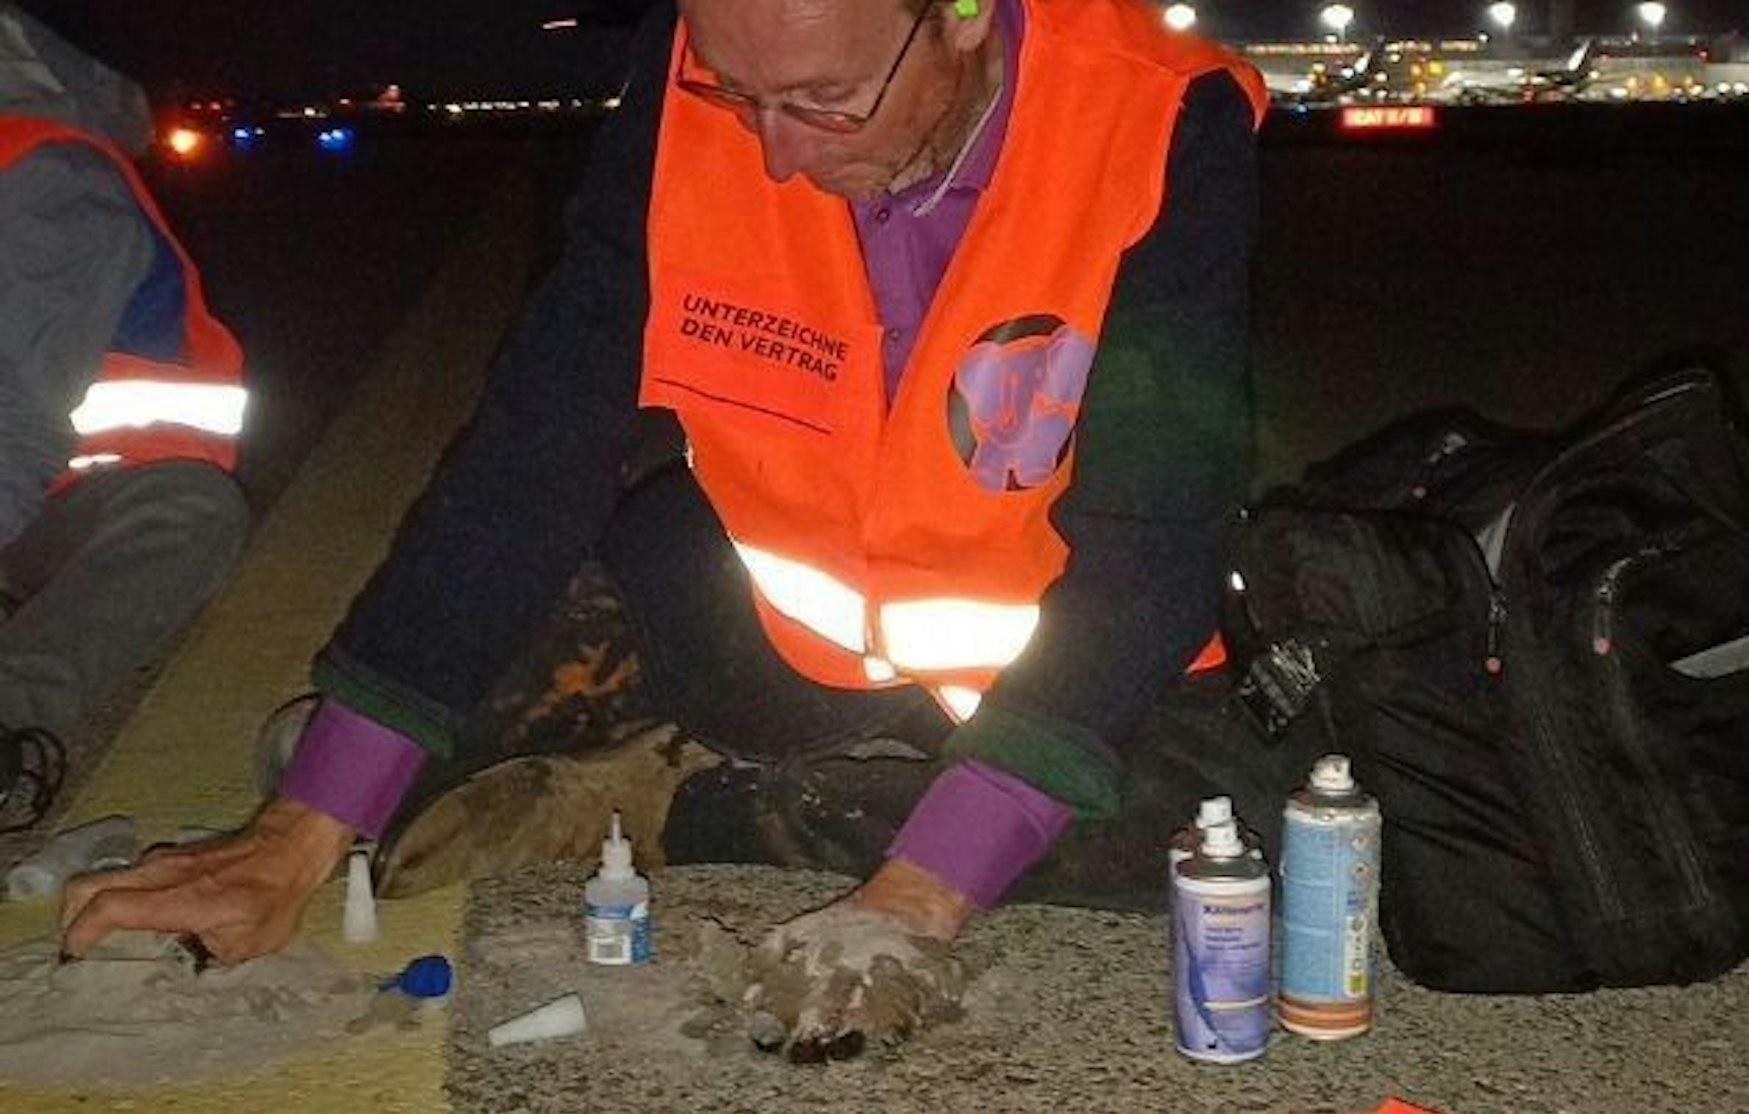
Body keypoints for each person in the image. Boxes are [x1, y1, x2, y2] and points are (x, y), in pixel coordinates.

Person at [64, 0, 1309, 1058]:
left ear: (968, 16)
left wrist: (915, 898)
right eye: (738, 97)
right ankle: (654, 779)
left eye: (824, 102)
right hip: (765, 626)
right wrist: (294, 835)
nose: (774, 156)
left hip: (1060, 667)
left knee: (1208, 848)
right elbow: (536, 449)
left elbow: (1153, 545)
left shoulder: (1153, 120)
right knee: (361, 742)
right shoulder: (694, 80)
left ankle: (682, 806)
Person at [0, 4, 252, 828]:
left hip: (70, 501)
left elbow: (14, 429)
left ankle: (13, 708)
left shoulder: (43, 184)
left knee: (188, 514)